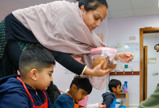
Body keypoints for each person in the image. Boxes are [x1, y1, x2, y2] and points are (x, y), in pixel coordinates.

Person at [0, 0, 134, 101]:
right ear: (83, 9)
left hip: (31, 41)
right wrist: (89, 71)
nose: (98, 24)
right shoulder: (68, 16)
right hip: (13, 31)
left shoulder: (80, 26)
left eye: (101, 20)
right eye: (96, 17)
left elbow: (93, 47)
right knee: (28, 78)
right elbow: (59, 53)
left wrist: (116, 56)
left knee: (44, 84)